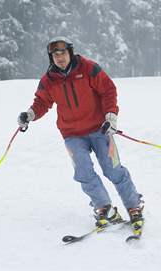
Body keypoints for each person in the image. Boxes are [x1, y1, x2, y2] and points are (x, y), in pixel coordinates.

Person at [17, 37, 144, 230]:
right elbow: (42, 102)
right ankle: (104, 207)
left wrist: (111, 117)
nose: (59, 58)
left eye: (63, 53)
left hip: (100, 129)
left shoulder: (88, 68)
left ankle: (134, 206)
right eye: (55, 55)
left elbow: (108, 90)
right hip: (72, 134)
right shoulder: (49, 80)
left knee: (112, 168)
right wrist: (30, 115)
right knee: (83, 172)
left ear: (70, 52)